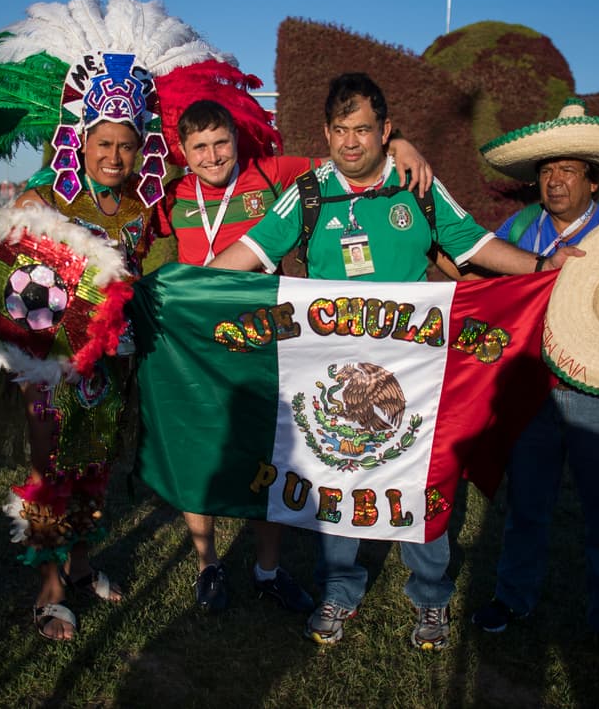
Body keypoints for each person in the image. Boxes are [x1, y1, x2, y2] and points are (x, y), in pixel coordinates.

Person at [209, 73, 578, 650]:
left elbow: (473, 245)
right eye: (339, 130)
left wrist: (540, 270)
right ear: (326, 132)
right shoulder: (307, 193)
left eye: (362, 130)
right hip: (333, 372)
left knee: (419, 480)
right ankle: (339, 590)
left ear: (385, 131)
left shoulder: (418, 185)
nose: (351, 143)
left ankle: (430, 596)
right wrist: (187, 288)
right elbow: (250, 251)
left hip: (416, 371)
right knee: (336, 477)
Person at [157, 99, 434, 615]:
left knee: (273, 454)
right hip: (198, 340)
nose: (213, 156)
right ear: (183, 151)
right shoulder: (170, 194)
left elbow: (352, 161)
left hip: (265, 339)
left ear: (237, 140)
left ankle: (267, 569)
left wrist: (400, 143)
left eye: (222, 143)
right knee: (199, 453)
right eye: (200, 147)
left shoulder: (273, 172)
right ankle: (208, 566)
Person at [468, 98, 599, 671]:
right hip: (532, 392)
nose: (554, 181)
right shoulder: (520, 227)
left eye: (568, 171)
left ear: (594, 181)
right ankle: (513, 598)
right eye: (547, 171)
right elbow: (485, 279)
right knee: (526, 505)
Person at [0, 52, 163, 642]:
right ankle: (48, 589)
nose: (114, 157)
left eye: (125, 145)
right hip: (52, 366)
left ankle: (83, 563)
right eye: (103, 143)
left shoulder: (141, 206)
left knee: (95, 467)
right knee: (49, 471)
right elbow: (10, 261)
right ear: (81, 141)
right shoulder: (50, 194)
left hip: (112, 362)